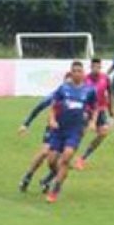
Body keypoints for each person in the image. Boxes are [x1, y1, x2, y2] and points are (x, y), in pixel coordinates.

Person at [43, 60, 96, 204]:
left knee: (65, 158)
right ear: (71, 73)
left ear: (83, 73)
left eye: (80, 71)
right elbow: (53, 106)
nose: (77, 74)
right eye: (75, 71)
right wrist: (52, 120)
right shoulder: (63, 88)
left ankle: (55, 191)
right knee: (52, 160)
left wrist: (92, 121)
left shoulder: (90, 90)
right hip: (59, 130)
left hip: (75, 131)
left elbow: (95, 107)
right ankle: (56, 173)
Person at [74, 57, 113, 170]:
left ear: (100, 67)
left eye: (98, 67)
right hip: (86, 110)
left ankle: (83, 158)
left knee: (103, 133)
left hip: (100, 110)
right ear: (90, 67)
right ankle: (68, 155)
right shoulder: (85, 79)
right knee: (80, 134)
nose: (96, 69)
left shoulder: (105, 78)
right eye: (94, 67)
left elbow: (110, 93)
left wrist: (111, 110)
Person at [17, 92, 56, 192]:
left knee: (60, 159)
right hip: (54, 128)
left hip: (71, 131)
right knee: (44, 152)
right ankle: (27, 177)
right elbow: (39, 107)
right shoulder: (57, 94)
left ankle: (47, 180)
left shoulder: (81, 94)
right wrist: (26, 124)